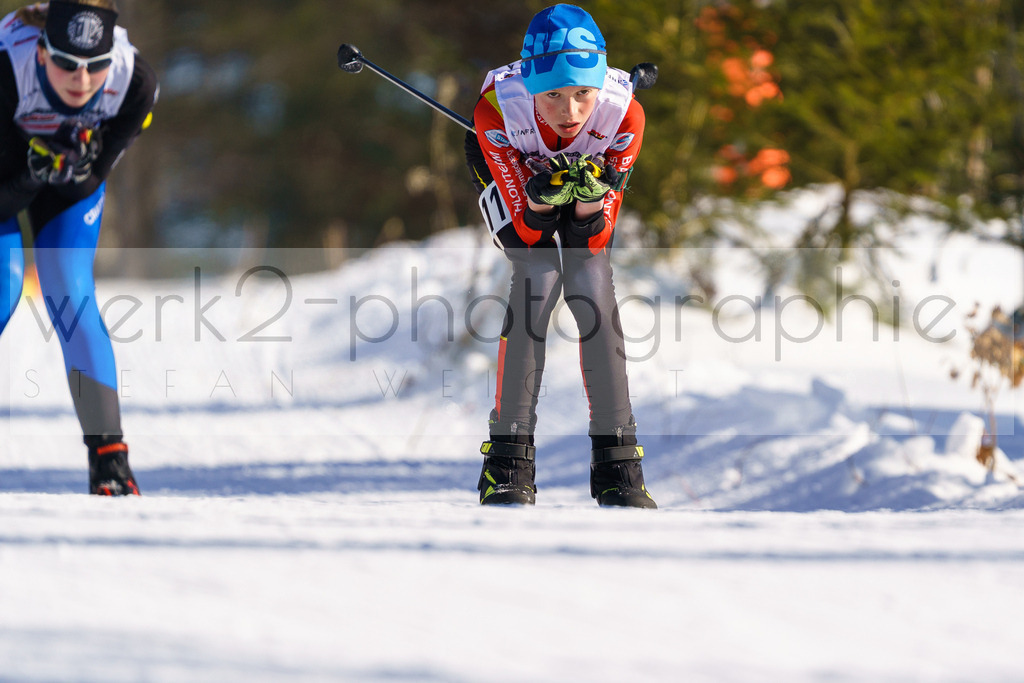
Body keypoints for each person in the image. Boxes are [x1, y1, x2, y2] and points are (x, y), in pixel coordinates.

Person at [465, 4, 656, 507]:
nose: (570, 112)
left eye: (582, 94)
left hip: (580, 185)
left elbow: (591, 239)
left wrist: (590, 197)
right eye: (552, 95)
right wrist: (538, 197)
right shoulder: (496, 111)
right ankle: (506, 460)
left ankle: (618, 463)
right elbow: (530, 235)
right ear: (531, 87)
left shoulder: (625, 115)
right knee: (539, 276)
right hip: (510, 167)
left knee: (590, 281)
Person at [0, 0, 158, 495]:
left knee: (71, 296)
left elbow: (87, 182)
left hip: (62, 186)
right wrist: (31, 172)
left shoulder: (134, 84)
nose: (81, 79)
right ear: (43, 55)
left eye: (95, 66)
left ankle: (109, 457)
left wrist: (75, 169)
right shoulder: (8, 68)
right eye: (66, 63)